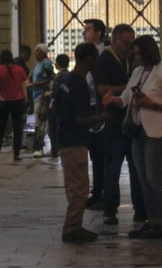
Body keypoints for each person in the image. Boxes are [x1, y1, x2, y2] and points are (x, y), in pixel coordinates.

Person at [104, 35, 162, 240]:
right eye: (134, 53)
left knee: (154, 176)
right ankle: (152, 220)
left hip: (157, 131)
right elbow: (125, 99)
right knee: (142, 177)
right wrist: (112, 100)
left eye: (138, 53)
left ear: (148, 52)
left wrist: (151, 103)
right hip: (137, 130)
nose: (136, 57)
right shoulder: (137, 72)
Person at [55, 43, 108, 243]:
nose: (96, 62)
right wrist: (104, 118)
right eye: (95, 58)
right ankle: (72, 228)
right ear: (87, 58)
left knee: (74, 186)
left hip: (65, 138)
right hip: (75, 140)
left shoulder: (65, 80)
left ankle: (74, 225)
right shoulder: (78, 84)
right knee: (80, 187)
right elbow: (81, 118)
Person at [93, 24, 145, 226]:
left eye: (131, 42)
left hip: (132, 121)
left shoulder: (134, 59)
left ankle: (140, 210)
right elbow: (102, 89)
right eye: (125, 42)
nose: (129, 46)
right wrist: (129, 89)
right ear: (114, 40)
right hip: (113, 122)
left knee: (136, 167)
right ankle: (109, 210)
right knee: (112, 167)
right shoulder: (104, 60)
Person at [82, 19, 107, 209]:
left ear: (98, 33)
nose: (84, 33)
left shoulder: (103, 55)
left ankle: (101, 191)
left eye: (88, 30)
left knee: (100, 153)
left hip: (99, 107)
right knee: (94, 153)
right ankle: (98, 190)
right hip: (89, 106)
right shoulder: (88, 54)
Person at [0, 49, 28, 163]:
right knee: (17, 128)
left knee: (0, 128)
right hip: (18, 101)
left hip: (4, 101)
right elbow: (24, 85)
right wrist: (26, 99)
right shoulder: (19, 69)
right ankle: (16, 154)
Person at [29, 43, 55, 157]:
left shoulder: (46, 64)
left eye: (37, 51)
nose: (35, 53)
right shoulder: (36, 64)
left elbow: (48, 79)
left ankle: (40, 147)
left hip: (42, 96)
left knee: (41, 121)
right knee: (38, 122)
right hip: (35, 96)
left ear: (43, 53)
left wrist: (33, 84)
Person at [45, 53, 69, 165]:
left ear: (59, 63)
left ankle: (55, 150)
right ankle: (56, 150)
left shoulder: (62, 76)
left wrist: (49, 93)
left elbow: (57, 92)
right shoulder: (64, 75)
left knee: (54, 129)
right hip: (57, 105)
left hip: (55, 106)